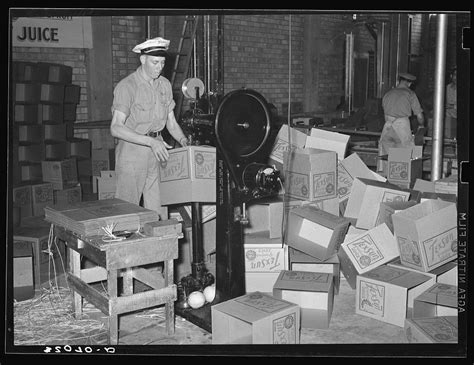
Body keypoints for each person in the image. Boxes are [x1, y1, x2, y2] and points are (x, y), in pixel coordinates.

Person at [110, 37, 189, 219]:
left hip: (158, 151)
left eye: (162, 63)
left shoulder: (165, 85)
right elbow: (116, 128)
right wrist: (150, 142)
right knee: (127, 210)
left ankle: (160, 244)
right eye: (155, 62)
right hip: (132, 152)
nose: (159, 67)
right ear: (143, 59)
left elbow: (171, 123)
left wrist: (184, 141)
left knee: (159, 209)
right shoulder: (127, 86)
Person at [377, 72, 424, 174]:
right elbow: (419, 116)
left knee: (386, 158)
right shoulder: (410, 94)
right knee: (406, 158)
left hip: (387, 127)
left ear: (399, 81)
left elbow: (385, 112)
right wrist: (421, 126)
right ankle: (402, 183)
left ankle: (385, 181)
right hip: (402, 127)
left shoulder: (387, 94)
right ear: (410, 83)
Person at [445, 67, 457, 138]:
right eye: (455, 75)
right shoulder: (447, 88)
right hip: (449, 113)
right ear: (451, 76)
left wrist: (452, 106)